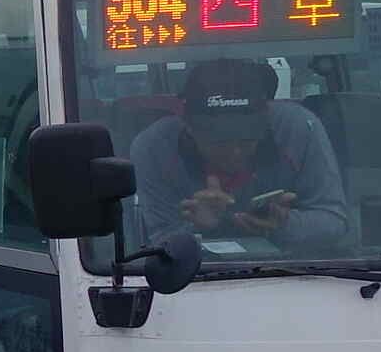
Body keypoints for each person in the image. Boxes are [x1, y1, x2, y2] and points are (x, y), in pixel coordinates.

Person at [127, 58, 353, 252]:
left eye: (247, 139)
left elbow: (334, 220)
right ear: (188, 127)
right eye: (219, 142)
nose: (234, 152)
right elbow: (161, 242)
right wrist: (200, 228)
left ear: (267, 120)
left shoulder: (299, 129)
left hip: (298, 272)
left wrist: (283, 224)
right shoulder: (154, 149)